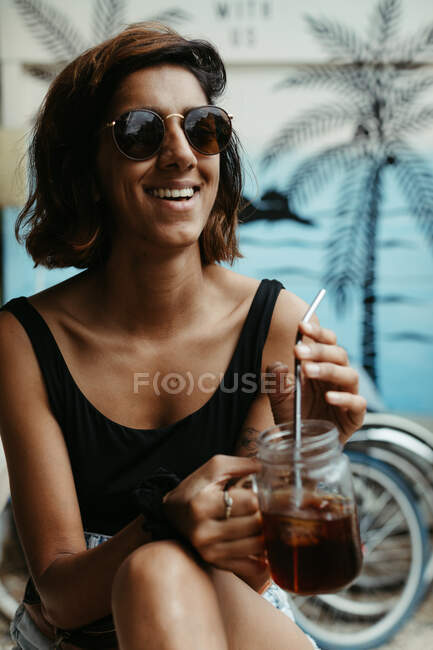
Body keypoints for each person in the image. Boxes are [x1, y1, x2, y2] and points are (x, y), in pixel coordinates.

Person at [0, 22, 366, 650]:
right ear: (86, 166)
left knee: (160, 570)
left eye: (202, 128)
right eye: (141, 132)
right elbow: (59, 594)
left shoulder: (277, 323)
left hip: (230, 618)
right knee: (154, 567)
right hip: (81, 632)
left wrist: (310, 456)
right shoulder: (25, 340)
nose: (181, 154)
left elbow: (261, 571)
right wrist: (164, 524)